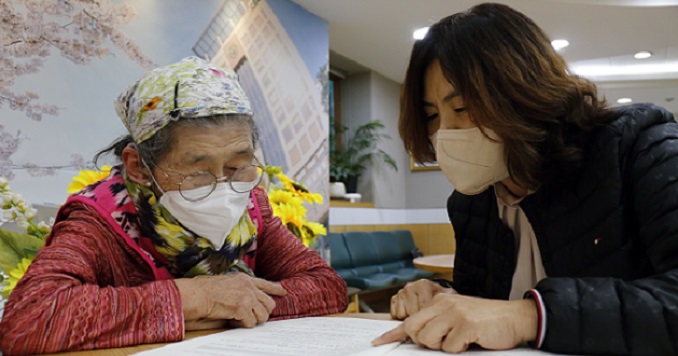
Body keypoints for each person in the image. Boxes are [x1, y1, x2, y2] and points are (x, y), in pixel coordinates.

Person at [373, 3, 678, 355]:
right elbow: (486, 305)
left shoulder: (642, 147)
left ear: (523, 90)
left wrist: (528, 316)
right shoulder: (471, 203)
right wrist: (445, 297)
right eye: (431, 116)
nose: (446, 132)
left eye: (461, 108)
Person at [0, 56, 348, 354]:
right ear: (139, 167)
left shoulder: (252, 205)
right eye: (198, 172)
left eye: (237, 166)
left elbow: (326, 286)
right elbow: (31, 318)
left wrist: (238, 303)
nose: (225, 189)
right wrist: (195, 299)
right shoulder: (99, 219)